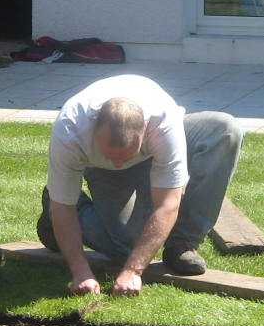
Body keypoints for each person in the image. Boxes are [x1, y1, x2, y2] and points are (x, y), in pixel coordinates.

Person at [37, 74, 243, 297]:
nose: (118, 162)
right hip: (100, 169)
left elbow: (167, 205)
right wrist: (80, 272)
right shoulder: (70, 131)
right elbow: (63, 209)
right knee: (127, 246)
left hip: (151, 151)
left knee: (226, 129)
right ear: (94, 130)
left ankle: (182, 243)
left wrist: (133, 271)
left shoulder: (163, 124)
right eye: (112, 156)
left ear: (145, 128)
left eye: (125, 156)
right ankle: (58, 206)